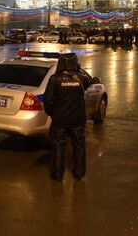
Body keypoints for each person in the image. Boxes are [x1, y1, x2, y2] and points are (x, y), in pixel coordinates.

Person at [43, 53, 90, 182]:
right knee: (79, 145)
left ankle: (57, 175)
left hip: (60, 119)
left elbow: (47, 100)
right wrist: (78, 70)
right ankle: (79, 173)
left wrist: (52, 113)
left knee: (58, 146)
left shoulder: (54, 79)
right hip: (77, 119)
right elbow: (88, 82)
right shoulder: (81, 79)